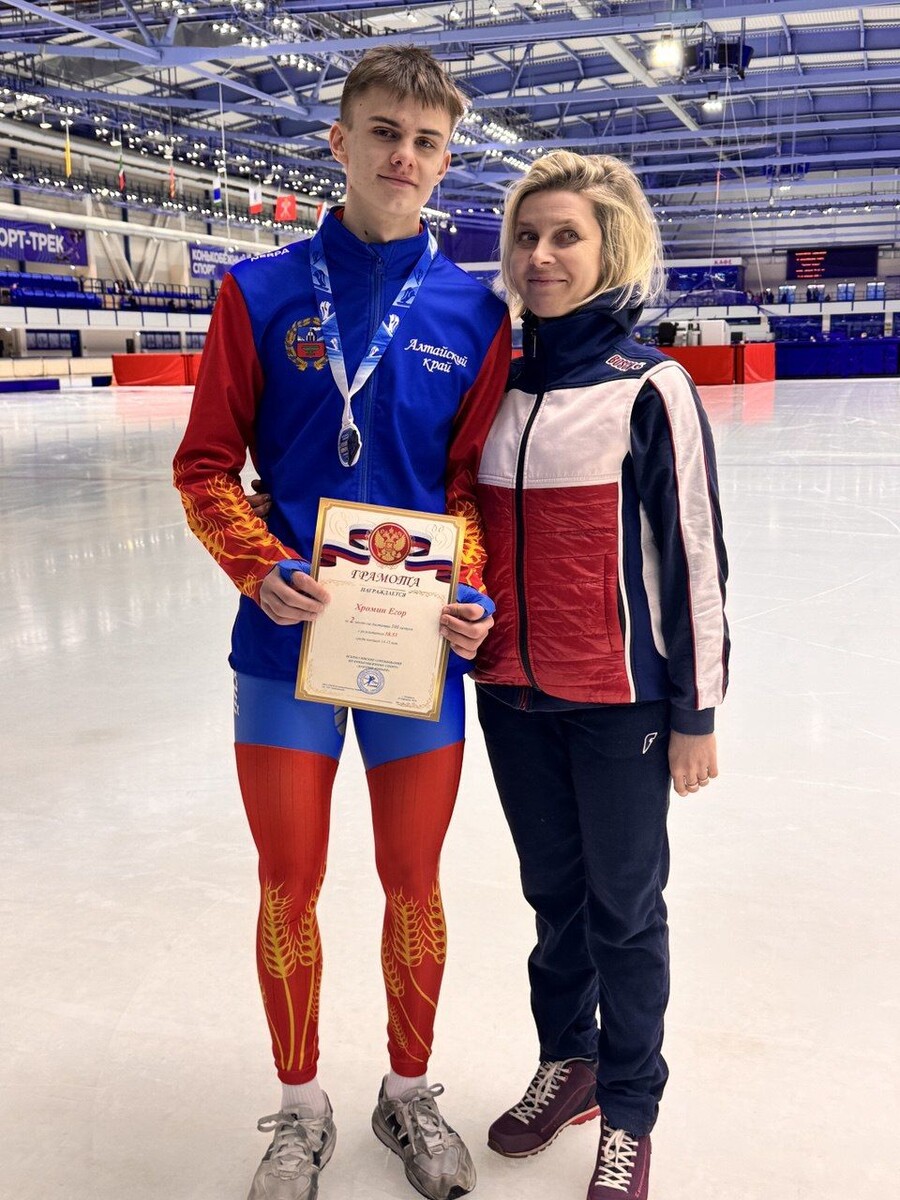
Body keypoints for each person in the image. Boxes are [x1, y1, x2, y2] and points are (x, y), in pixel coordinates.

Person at [173, 46, 511, 1200]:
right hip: (286, 642)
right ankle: (301, 1106)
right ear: (340, 142)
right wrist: (259, 568)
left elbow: (471, 492)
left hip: (417, 651)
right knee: (290, 881)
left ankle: (408, 1095)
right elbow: (206, 467)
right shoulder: (257, 293)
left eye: (424, 141)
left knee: (414, 878)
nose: (401, 156)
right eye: (381, 132)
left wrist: (470, 593)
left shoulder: (476, 311)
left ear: (445, 159)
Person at [472, 151, 730, 1200]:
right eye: (527, 237)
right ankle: (568, 1061)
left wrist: (697, 711)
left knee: (625, 909)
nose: (541, 256)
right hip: (509, 696)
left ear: (608, 247)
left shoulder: (649, 387)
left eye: (565, 236)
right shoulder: (494, 382)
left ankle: (629, 1106)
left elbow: (697, 557)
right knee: (553, 901)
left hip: (620, 702)